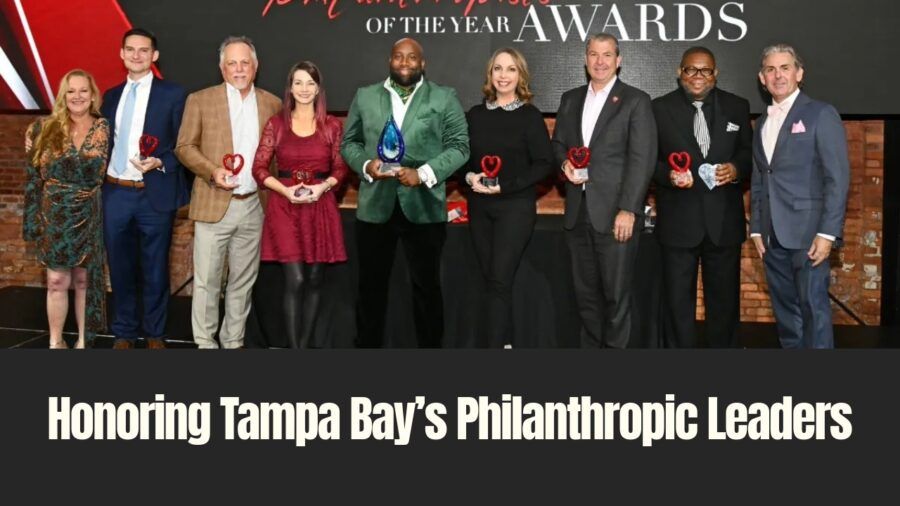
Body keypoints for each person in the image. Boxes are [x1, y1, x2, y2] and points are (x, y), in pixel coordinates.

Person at [340, 37, 470, 348]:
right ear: (390, 60)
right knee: (370, 288)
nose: (405, 62)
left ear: (422, 63)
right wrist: (366, 165)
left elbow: (460, 147)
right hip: (375, 205)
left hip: (423, 206)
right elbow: (349, 144)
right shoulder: (366, 96)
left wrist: (423, 173)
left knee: (426, 288)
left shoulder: (443, 97)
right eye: (399, 56)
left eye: (412, 58)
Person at [551, 33, 657, 348]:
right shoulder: (570, 99)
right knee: (586, 299)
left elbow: (643, 159)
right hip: (577, 214)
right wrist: (563, 166)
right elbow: (559, 145)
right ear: (585, 59)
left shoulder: (636, 100)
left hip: (615, 217)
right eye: (594, 54)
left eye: (607, 55)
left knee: (616, 299)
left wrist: (629, 209)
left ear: (618, 60)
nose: (600, 61)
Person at [175, 36, 281, 349]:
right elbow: (184, 146)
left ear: (256, 66)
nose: (239, 69)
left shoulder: (272, 104)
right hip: (213, 203)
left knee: (242, 283)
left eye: (244, 62)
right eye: (231, 63)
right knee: (207, 282)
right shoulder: (200, 100)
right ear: (222, 68)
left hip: (254, 206)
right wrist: (211, 171)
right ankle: (205, 344)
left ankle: (233, 341)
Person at [750, 44, 850, 349]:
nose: (778, 75)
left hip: (809, 235)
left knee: (813, 311)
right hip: (771, 236)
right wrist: (756, 227)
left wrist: (828, 232)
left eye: (785, 67)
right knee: (786, 315)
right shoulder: (762, 124)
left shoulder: (821, 113)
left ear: (799, 73)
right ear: (761, 77)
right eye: (770, 69)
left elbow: (837, 177)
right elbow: (759, 178)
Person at [651, 47, 752, 348]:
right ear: (679, 72)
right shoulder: (658, 108)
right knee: (677, 305)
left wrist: (735, 169)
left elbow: (749, 154)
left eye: (705, 70)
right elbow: (647, 161)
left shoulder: (738, 106)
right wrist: (667, 176)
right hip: (678, 223)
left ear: (715, 73)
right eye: (690, 70)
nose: (698, 76)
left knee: (724, 305)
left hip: (724, 223)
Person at [101, 28, 189, 350]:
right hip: (116, 193)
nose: (136, 55)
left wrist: (161, 162)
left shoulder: (174, 94)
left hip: (154, 193)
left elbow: (185, 144)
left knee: (154, 269)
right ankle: (124, 332)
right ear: (122, 54)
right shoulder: (110, 96)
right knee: (120, 268)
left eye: (144, 50)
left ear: (154, 56)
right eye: (130, 50)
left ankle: (154, 332)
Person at [251, 61, 348, 349]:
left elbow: (341, 169)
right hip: (285, 206)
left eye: (310, 83)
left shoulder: (331, 126)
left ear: (318, 88)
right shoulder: (276, 124)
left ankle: (304, 347)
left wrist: (323, 186)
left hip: (320, 206)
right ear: (290, 88)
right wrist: (285, 190)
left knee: (315, 278)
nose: (304, 89)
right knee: (295, 279)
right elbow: (258, 168)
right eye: (298, 83)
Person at [462, 48, 553, 347]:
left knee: (500, 279)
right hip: (479, 205)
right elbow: (462, 157)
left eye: (511, 69)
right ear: (490, 75)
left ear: (520, 75)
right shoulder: (474, 115)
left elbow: (544, 164)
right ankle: (506, 341)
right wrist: (469, 176)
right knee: (490, 279)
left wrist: (506, 186)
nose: (503, 75)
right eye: (498, 69)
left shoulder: (529, 116)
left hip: (515, 207)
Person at [23, 69, 109, 349]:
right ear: (63, 96)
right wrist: (32, 221)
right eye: (71, 91)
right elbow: (34, 177)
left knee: (84, 280)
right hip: (54, 215)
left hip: (88, 213)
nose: (77, 96)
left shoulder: (103, 127)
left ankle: (83, 342)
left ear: (93, 95)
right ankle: (55, 341)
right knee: (57, 281)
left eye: (83, 90)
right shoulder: (42, 128)